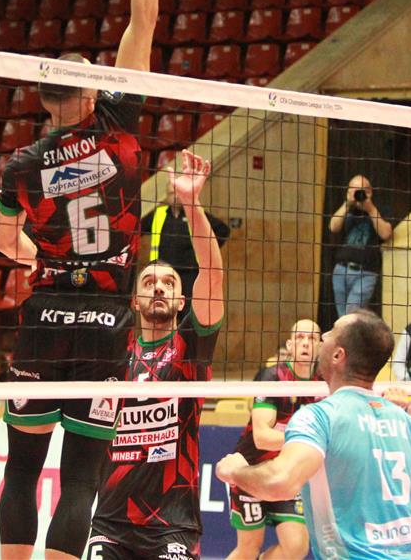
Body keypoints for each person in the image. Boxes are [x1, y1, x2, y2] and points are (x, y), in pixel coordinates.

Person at [0, 0, 171, 560]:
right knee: (81, 479)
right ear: (92, 88)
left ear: (45, 101)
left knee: (21, 470)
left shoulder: (22, 164)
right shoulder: (118, 126)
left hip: (45, 319)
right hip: (106, 320)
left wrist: (40, 257)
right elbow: (142, 21)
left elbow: (7, 243)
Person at [215, 311, 411, 560]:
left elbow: (279, 482)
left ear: (337, 355)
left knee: (292, 544)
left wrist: (235, 471)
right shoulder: (409, 425)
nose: (322, 337)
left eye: (329, 332)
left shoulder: (318, 418)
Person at [89, 150, 224, 560]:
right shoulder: (112, 352)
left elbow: (212, 274)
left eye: (169, 283)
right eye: (149, 282)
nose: (160, 287)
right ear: (134, 300)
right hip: (110, 523)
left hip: (173, 525)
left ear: (182, 301)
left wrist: (191, 204)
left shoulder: (191, 348)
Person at [226, 319, 321, 560]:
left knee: (296, 547)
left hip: (285, 475)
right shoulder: (273, 377)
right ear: (289, 345)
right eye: (299, 338)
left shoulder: (324, 382)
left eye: (312, 338)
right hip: (252, 470)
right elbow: (262, 438)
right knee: (248, 549)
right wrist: (307, 438)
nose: (305, 343)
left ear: (320, 346)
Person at [141, 169, 230, 299]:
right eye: (171, 193)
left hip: (189, 273)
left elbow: (223, 230)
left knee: (187, 308)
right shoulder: (158, 214)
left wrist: (206, 250)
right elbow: (137, 230)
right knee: (164, 307)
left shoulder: (194, 213)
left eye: (177, 193)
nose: (174, 196)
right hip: (162, 272)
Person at [328, 175, 393, 316]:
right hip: (341, 270)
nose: (359, 194)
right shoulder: (346, 209)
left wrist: (370, 209)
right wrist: (347, 204)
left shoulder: (380, 209)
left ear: (370, 192)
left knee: (352, 313)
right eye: (355, 190)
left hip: (366, 272)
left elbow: (386, 234)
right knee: (342, 316)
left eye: (363, 190)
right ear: (348, 191)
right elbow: (333, 227)